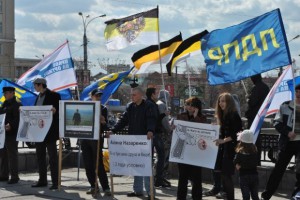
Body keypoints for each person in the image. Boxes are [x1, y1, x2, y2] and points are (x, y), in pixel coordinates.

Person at [109, 86, 157, 199]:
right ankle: (138, 190)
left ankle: (151, 193)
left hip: (145, 141)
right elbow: (123, 120)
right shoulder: (130, 106)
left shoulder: (149, 106)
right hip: (133, 141)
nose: (132, 97)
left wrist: (150, 130)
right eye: (131, 95)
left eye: (134, 95)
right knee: (136, 165)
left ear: (141, 95)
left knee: (146, 166)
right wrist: (113, 130)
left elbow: (152, 119)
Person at [261, 84, 300, 200]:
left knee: (299, 172)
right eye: (297, 91)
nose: (299, 94)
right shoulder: (285, 106)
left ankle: (296, 196)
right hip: (287, 143)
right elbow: (277, 122)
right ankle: (266, 195)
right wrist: (287, 132)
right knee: (278, 170)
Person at [31, 78, 61, 190]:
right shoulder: (37, 97)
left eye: (35, 85)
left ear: (40, 85)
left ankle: (55, 182)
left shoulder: (54, 95)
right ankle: (42, 180)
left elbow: (60, 110)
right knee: (40, 157)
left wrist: (55, 110)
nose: (34, 87)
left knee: (53, 158)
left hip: (50, 133)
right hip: (39, 132)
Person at [81, 89, 111, 196]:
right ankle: (93, 186)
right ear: (92, 96)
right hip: (85, 138)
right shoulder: (85, 107)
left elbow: (105, 126)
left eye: (100, 96)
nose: (98, 98)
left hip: (96, 139)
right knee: (88, 164)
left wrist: (103, 122)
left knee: (98, 164)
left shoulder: (103, 108)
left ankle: (106, 187)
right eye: (96, 96)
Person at [176, 97, 207, 200]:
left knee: (197, 179)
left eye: (192, 105)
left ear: (197, 107)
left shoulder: (202, 117)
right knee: (182, 178)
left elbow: (200, 131)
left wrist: (195, 116)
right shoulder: (181, 116)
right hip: (184, 152)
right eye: (187, 104)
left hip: (196, 153)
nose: (189, 107)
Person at [214, 92, 242, 200]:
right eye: (220, 101)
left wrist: (223, 141)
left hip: (230, 150)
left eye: (223, 101)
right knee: (224, 175)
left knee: (226, 176)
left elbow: (237, 134)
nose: (221, 103)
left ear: (229, 102)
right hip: (225, 149)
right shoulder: (224, 115)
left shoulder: (233, 115)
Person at [146, 88, 170, 188]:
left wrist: (164, 114)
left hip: (153, 133)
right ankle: (158, 178)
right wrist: (168, 129)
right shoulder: (156, 104)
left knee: (156, 156)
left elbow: (157, 118)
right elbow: (157, 121)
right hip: (156, 133)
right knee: (161, 155)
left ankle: (156, 178)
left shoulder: (154, 104)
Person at [245, 74, 269, 165]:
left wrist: (248, 99)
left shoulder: (256, 88)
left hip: (253, 116)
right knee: (257, 138)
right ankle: (257, 159)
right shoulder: (265, 87)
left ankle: (253, 159)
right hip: (261, 115)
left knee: (252, 138)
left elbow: (252, 102)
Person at [0, 86, 22, 184]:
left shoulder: (17, 104)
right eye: (4, 93)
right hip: (3, 133)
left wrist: (11, 125)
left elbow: (18, 119)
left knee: (12, 155)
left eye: (6, 93)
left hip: (12, 134)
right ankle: (4, 175)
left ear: (12, 93)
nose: (4, 95)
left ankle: (14, 176)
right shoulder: (4, 104)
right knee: (3, 155)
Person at [234, 130, 259, 200]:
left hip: (243, 176)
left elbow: (235, 161)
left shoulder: (240, 152)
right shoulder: (255, 151)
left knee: (246, 196)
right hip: (254, 175)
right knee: (255, 195)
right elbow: (255, 163)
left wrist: (238, 165)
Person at [157, 90, 172, 186]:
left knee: (160, 156)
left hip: (158, 134)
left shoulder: (157, 103)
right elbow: (164, 120)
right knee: (164, 156)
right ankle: (161, 177)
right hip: (163, 134)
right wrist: (169, 129)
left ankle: (158, 176)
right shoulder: (162, 105)